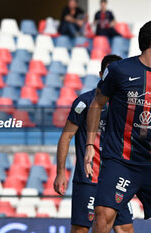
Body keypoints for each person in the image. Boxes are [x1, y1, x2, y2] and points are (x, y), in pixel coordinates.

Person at [53, 55, 134, 233]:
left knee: (125, 229)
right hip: (89, 178)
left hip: (116, 177)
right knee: (81, 230)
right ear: (101, 74)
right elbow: (65, 137)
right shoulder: (85, 102)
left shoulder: (128, 104)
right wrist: (60, 173)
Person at [84, 21, 151, 233]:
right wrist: (89, 145)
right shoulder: (119, 70)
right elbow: (96, 104)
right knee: (103, 217)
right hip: (121, 161)